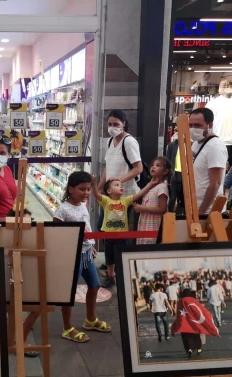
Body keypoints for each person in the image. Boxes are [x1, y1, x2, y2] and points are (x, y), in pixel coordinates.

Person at [52, 171, 111, 342]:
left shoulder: (82, 205)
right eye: (81, 189)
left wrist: (91, 246)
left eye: (87, 189)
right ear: (70, 189)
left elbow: (87, 229)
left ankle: (90, 320)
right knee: (69, 293)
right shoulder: (62, 211)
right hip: (72, 256)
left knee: (94, 286)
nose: (86, 193)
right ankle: (67, 327)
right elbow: (56, 235)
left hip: (86, 254)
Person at [92, 175, 160, 287]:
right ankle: (110, 277)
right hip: (109, 235)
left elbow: (140, 194)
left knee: (121, 256)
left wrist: (151, 184)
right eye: (117, 185)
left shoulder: (125, 200)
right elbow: (96, 195)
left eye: (121, 185)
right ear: (109, 191)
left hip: (122, 236)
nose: (120, 186)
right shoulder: (106, 200)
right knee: (109, 257)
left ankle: (121, 276)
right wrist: (94, 184)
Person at [98, 110, 144, 233]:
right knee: (103, 227)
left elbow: (138, 168)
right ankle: (112, 252)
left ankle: (120, 252)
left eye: (116, 124)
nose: (112, 127)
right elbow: (108, 166)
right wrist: (100, 186)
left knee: (118, 228)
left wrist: (119, 180)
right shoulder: (109, 141)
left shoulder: (129, 142)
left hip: (125, 195)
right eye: (109, 124)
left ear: (124, 124)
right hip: (110, 194)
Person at [189, 107, 228, 215]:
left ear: (209, 125)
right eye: (190, 125)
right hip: (193, 205)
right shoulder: (196, 143)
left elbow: (215, 183)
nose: (193, 129)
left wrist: (201, 212)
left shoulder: (215, 147)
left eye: (197, 125)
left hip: (208, 211)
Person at [135, 156, 171, 245]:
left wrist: (143, 209)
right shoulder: (150, 187)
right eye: (153, 165)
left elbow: (163, 209)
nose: (153, 167)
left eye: (158, 165)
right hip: (144, 225)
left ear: (165, 171)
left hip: (152, 226)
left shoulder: (162, 187)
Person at [171, 289, 203, 357]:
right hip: (193, 321)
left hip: (184, 321)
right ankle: (199, 348)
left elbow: (179, 312)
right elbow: (197, 310)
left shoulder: (180, 301)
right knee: (196, 335)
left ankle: (189, 349)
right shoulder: (193, 300)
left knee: (186, 336)